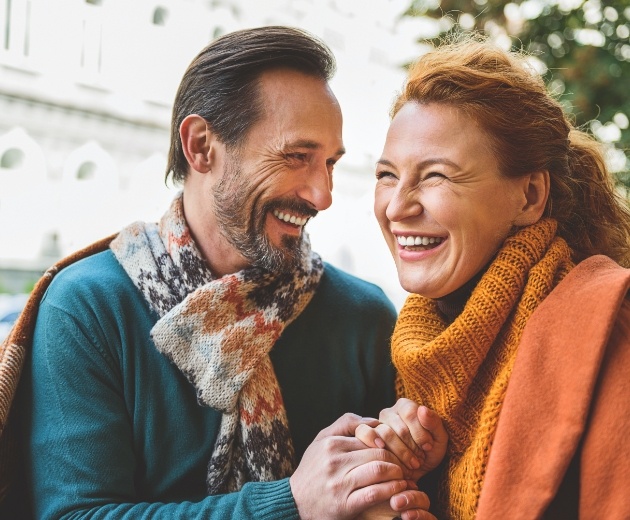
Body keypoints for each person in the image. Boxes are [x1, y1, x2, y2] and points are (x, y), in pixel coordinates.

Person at [0, 26, 440, 519]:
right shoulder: (87, 309)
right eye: (296, 157)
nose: (323, 195)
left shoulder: (364, 317)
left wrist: (413, 455)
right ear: (201, 146)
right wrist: (291, 503)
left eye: (330, 164)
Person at [357, 33, 630, 519]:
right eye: (387, 175)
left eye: (436, 175)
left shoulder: (609, 331)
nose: (398, 207)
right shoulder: (416, 354)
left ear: (528, 197)